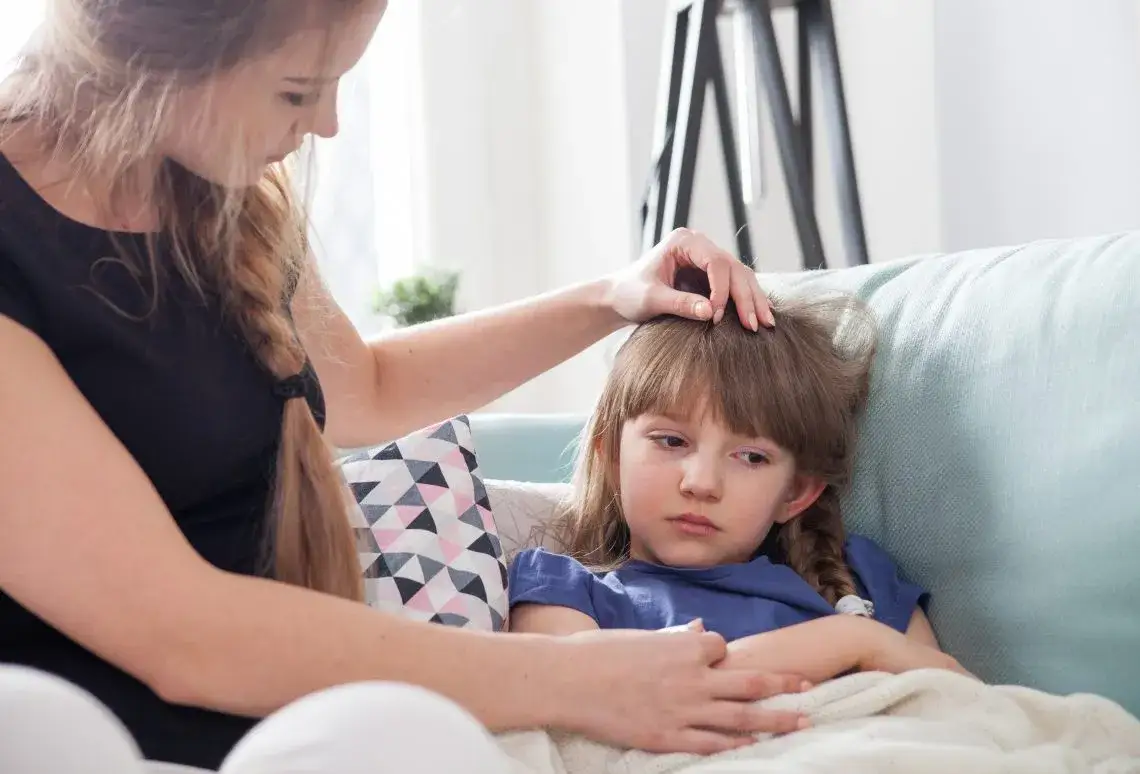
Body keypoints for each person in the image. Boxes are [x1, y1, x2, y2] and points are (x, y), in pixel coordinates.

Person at [0, 2, 810, 773]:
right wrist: (584, 679)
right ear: (159, 49)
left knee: (401, 735)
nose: (326, 124)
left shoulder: (218, 193)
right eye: (297, 90)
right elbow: (179, 631)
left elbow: (371, 390)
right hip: (74, 725)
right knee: (40, 726)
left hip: (256, 730)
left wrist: (610, 299)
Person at [508, 272, 972, 685]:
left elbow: (955, 700)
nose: (702, 483)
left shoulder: (859, 579)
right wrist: (850, 642)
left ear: (795, 492)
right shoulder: (563, 590)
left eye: (751, 456)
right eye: (671, 442)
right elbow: (592, 693)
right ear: (611, 454)